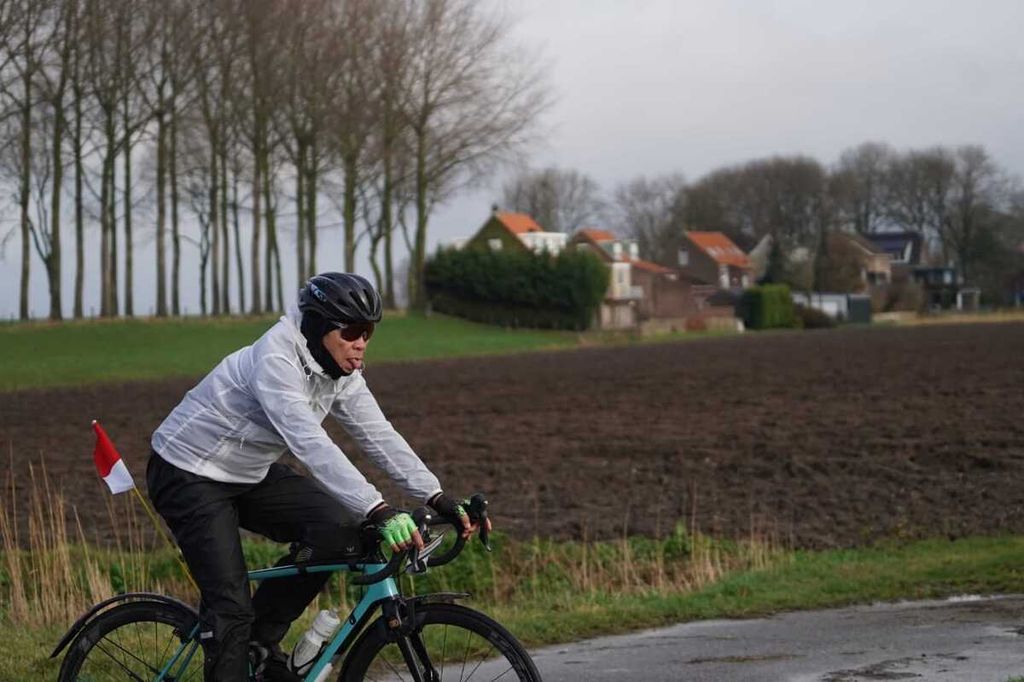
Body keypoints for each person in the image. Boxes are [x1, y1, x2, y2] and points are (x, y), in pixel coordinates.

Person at [147, 272, 484, 681]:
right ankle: (238, 640)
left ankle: (259, 640)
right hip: (187, 471)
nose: (362, 342)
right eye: (352, 331)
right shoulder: (276, 359)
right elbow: (311, 445)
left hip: (247, 471)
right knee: (229, 610)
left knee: (340, 529)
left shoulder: (338, 368)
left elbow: (377, 434)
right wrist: (378, 509)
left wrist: (435, 496)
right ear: (320, 328)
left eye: (369, 332)